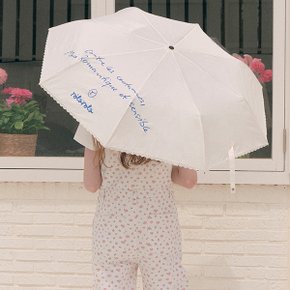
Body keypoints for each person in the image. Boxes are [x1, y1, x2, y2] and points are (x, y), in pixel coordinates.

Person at [74, 124, 197, 290]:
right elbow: (188, 180)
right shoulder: (170, 122)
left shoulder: (96, 120)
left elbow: (91, 184)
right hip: (159, 232)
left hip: (113, 232)